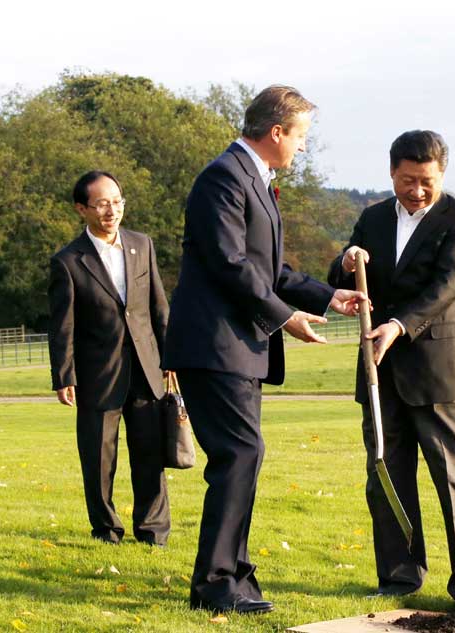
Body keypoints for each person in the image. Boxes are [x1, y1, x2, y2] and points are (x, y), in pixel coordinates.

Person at [163, 85, 364, 616]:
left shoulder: (254, 180)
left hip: (237, 348)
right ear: (276, 132)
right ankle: (215, 584)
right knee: (239, 455)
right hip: (214, 345)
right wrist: (286, 317)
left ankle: (235, 574)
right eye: (301, 137)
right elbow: (230, 265)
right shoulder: (223, 178)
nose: (302, 147)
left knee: (244, 457)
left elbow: (269, 270)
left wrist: (327, 295)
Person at [328, 130, 455, 610]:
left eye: (426, 181)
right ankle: (399, 578)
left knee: (454, 481)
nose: (416, 190)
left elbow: (448, 284)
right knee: (386, 476)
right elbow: (340, 278)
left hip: (439, 372)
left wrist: (400, 325)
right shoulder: (372, 218)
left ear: (441, 173)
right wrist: (346, 259)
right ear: (392, 172)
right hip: (379, 371)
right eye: (407, 180)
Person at [48, 170, 171, 547]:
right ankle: (106, 529)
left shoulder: (141, 244)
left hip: (148, 369)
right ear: (81, 208)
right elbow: (62, 324)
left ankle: (153, 530)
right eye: (101, 203)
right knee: (99, 460)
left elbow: (158, 307)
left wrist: (171, 358)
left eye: (116, 201)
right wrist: (64, 374)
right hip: (97, 374)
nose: (111, 210)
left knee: (150, 454)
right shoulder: (68, 261)